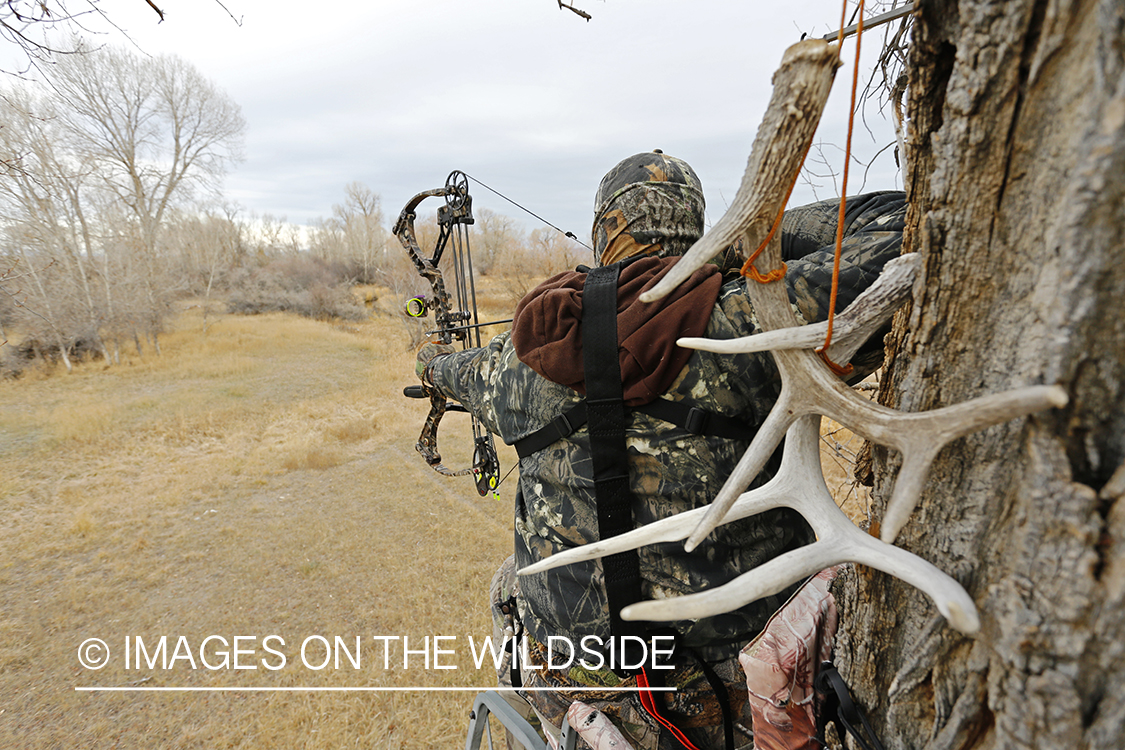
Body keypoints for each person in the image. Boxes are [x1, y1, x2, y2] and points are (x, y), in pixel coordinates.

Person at [415, 151, 906, 749]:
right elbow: (902, 224)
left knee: (509, 588)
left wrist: (431, 361)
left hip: (581, 681)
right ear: (699, 231)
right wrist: (735, 246)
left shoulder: (522, 356)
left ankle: (552, 727)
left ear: (602, 235)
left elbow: (450, 369)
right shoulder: (750, 324)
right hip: (735, 687)